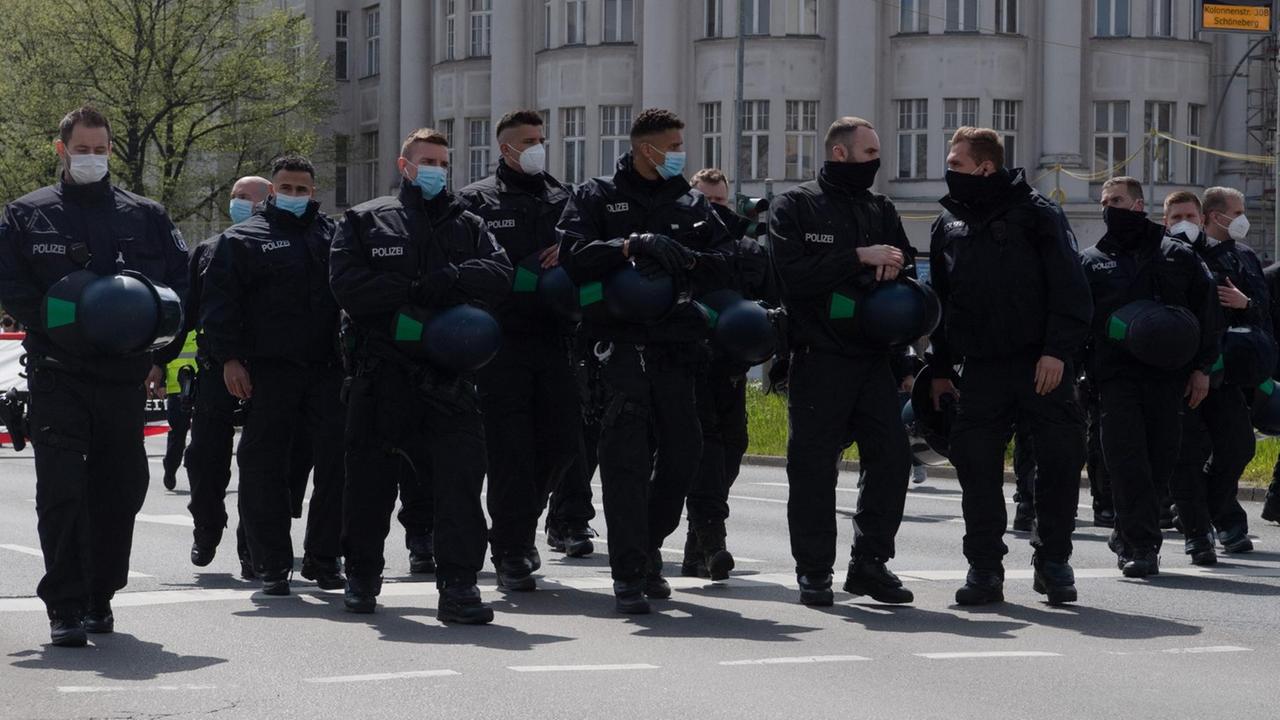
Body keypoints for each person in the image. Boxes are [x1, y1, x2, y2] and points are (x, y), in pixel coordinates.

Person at [0, 106, 189, 646]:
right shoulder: (25, 215)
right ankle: (64, 605)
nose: (92, 158)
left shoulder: (145, 215)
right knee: (61, 491)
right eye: (81, 149)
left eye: (100, 149)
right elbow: (12, 287)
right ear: (61, 150)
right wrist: (72, 324)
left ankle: (99, 594)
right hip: (60, 374)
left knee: (122, 487)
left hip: (123, 378)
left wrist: (160, 353)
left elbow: (176, 288)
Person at [557, 108, 735, 614]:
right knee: (625, 463)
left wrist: (690, 258)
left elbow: (731, 260)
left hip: (677, 347)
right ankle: (630, 571)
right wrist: (629, 244)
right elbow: (573, 255)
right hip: (616, 348)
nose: (680, 152)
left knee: (685, 454)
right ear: (645, 149)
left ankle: (648, 545)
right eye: (673, 144)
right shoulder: (596, 196)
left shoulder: (693, 201)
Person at [331, 128, 511, 623]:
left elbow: (500, 276)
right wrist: (412, 291)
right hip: (383, 375)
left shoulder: (468, 224)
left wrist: (451, 278)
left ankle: (459, 587)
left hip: (450, 380)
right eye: (426, 160)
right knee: (369, 486)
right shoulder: (366, 221)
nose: (435, 169)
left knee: (459, 486)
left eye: (442, 162)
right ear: (403, 163)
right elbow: (349, 288)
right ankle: (362, 576)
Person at [929, 126, 1092, 607]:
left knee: (1059, 463)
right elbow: (939, 302)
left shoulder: (1038, 214)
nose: (948, 171)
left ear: (984, 166)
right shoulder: (949, 222)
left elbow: (1071, 290)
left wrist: (1057, 352)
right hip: (979, 368)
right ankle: (984, 569)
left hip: (1040, 364)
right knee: (976, 468)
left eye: (955, 163)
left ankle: (1054, 561)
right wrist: (938, 367)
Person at [770, 117, 916, 606]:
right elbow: (792, 276)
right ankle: (814, 570)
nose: (877, 161)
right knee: (813, 470)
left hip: (873, 358)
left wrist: (891, 265)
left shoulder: (881, 208)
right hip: (819, 357)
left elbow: (906, 268)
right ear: (840, 153)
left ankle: (870, 564)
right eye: (870, 152)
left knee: (892, 459)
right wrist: (857, 256)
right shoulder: (795, 205)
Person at [201, 154, 346, 595]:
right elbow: (220, 306)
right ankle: (271, 563)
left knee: (337, 466)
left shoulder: (333, 236)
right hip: (268, 373)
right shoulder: (243, 240)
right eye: (287, 188)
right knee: (264, 467)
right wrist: (230, 359)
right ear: (273, 191)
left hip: (328, 370)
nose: (295, 196)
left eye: (303, 190)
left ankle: (324, 559)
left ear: (314, 192)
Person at [456, 110, 584, 590]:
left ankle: (519, 527)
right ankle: (510, 550)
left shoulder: (562, 197)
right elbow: (470, 270)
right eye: (527, 140)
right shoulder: (476, 200)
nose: (537, 147)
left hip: (555, 338)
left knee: (564, 441)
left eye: (541, 138)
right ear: (505, 149)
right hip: (500, 342)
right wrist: (526, 272)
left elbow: (583, 256)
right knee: (509, 450)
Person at [1082, 177, 1219, 577]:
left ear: (1139, 205)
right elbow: (1079, 321)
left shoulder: (1177, 255)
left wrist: (1202, 369)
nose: (1110, 207)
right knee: (1127, 464)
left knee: (1161, 460)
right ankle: (1140, 547)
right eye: (1105, 202)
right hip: (1115, 379)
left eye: (1118, 200)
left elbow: (1207, 314)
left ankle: (1129, 533)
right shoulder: (1092, 261)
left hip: (1168, 378)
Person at [1172, 186, 1271, 556]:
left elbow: (1263, 308)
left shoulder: (1244, 255)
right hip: (1189, 371)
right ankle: (1205, 528)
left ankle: (1214, 508)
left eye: (1189, 216)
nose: (1243, 217)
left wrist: (1245, 304)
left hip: (1231, 369)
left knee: (1238, 446)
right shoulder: (1184, 256)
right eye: (1238, 210)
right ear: (1216, 216)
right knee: (1188, 453)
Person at [678, 167, 765, 580]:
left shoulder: (746, 249)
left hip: (731, 368)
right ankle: (712, 539)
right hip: (688, 364)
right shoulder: (679, 241)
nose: (714, 210)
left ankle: (698, 547)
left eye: (720, 202)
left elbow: (766, 298)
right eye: (706, 201)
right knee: (706, 451)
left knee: (732, 449)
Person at [182, 176, 269, 579]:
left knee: (261, 464)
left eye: (249, 198)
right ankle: (207, 526)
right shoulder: (208, 250)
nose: (240, 203)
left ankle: (252, 545)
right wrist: (155, 359)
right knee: (204, 458)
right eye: (235, 196)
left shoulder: (276, 248)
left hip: (268, 371)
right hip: (217, 370)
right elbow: (189, 312)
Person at [160, 329, 198, 490]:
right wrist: (162, 382)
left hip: (199, 386)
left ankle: (197, 474)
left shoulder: (203, 322)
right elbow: (161, 351)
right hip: (176, 387)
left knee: (202, 433)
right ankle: (170, 466)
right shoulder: (176, 325)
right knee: (178, 433)